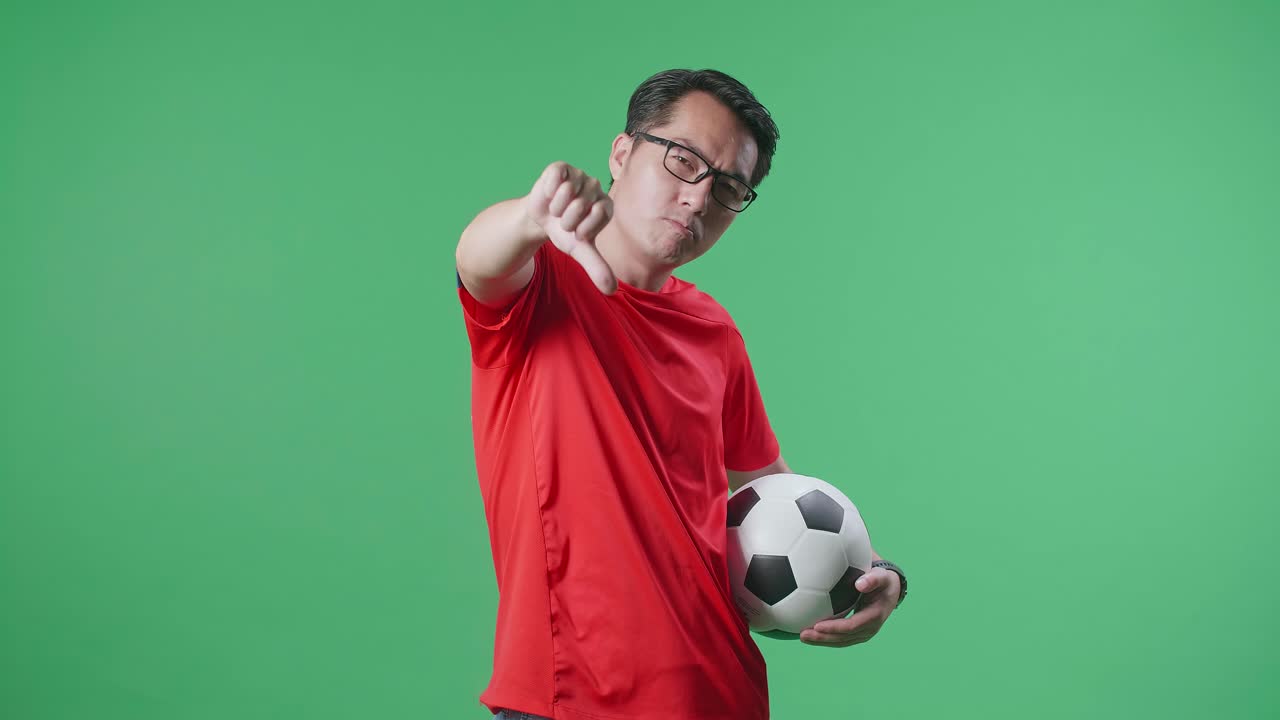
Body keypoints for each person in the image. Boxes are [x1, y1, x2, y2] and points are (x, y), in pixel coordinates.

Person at [454, 68, 907, 720]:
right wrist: (530, 216)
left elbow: (775, 493)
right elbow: (480, 258)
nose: (698, 198)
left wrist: (873, 577)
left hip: (722, 692)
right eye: (683, 161)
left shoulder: (715, 331)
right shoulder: (540, 287)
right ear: (621, 152)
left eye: (728, 187)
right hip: (575, 696)